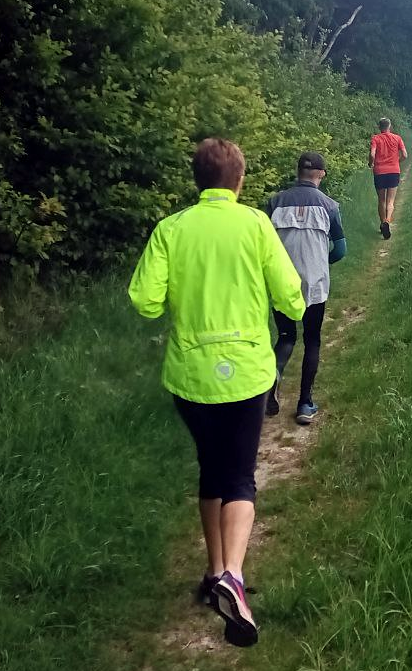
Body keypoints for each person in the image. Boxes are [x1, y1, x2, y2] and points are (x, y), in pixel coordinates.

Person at [128, 138, 305, 648]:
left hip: (191, 375)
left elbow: (144, 301)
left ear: (197, 180)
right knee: (241, 478)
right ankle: (233, 573)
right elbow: (289, 293)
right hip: (247, 371)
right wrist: (295, 310)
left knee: (211, 471)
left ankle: (212, 575)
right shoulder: (254, 224)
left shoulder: (171, 229)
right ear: (240, 180)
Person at [264, 151, 347, 424]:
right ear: (321, 174)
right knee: (312, 339)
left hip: (281, 283)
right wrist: (323, 262)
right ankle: (304, 403)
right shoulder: (329, 206)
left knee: (286, 336)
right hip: (314, 284)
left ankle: (270, 385)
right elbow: (341, 250)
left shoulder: (274, 202)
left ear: (297, 171)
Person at [369, 117, 407, 239]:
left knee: (381, 200)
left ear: (379, 127)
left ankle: (382, 223)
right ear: (389, 126)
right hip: (393, 171)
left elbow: (372, 154)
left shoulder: (375, 138)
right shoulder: (397, 138)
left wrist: (371, 163)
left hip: (379, 172)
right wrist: (397, 162)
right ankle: (387, 221)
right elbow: (405, 155)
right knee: (390, 201)